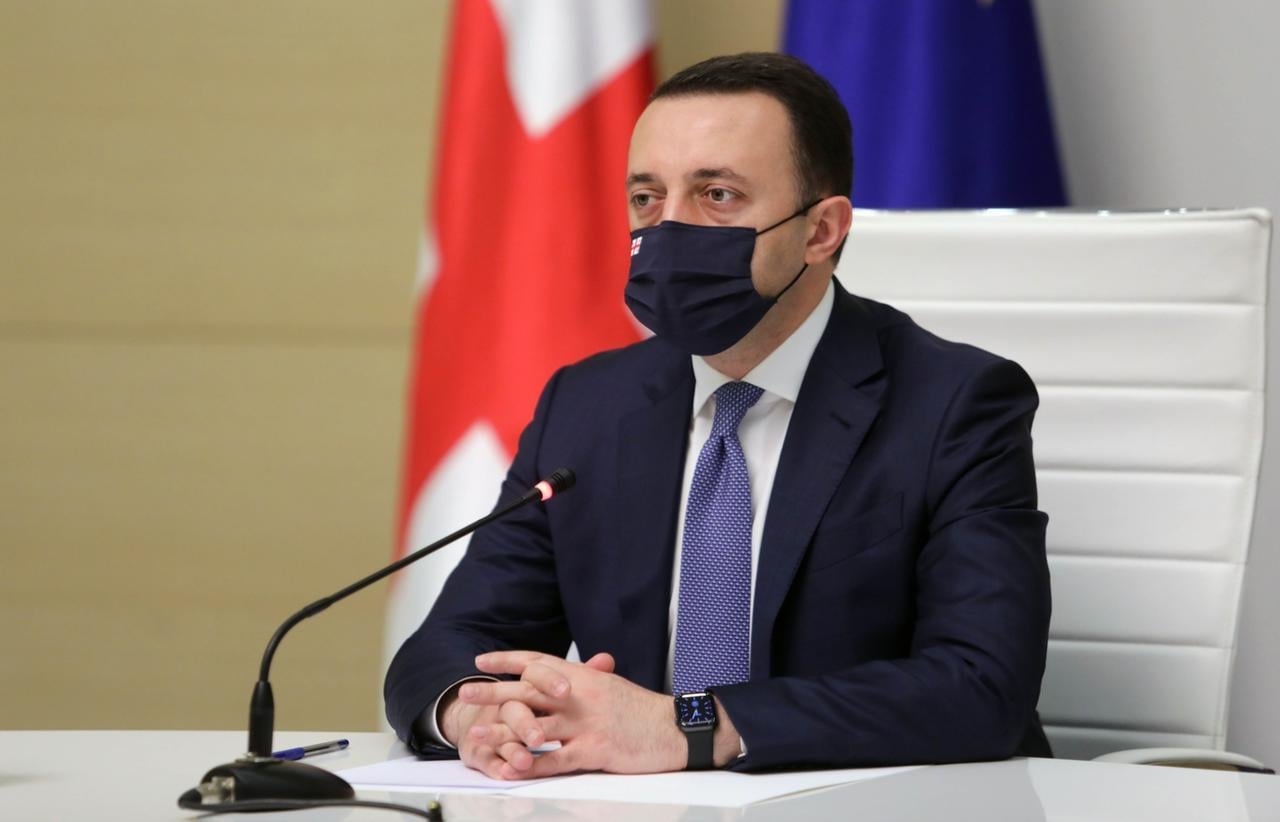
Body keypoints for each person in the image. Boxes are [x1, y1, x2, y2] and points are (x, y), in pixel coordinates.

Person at [385, 52, 1051, 779]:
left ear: (821, 230)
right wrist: (479, 715)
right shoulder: (587, 406)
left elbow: (982, 686)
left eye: (718, 195)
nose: (669, 228)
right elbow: (449, 646)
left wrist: (691, 727)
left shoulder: (955, 402)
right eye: (647, 198)